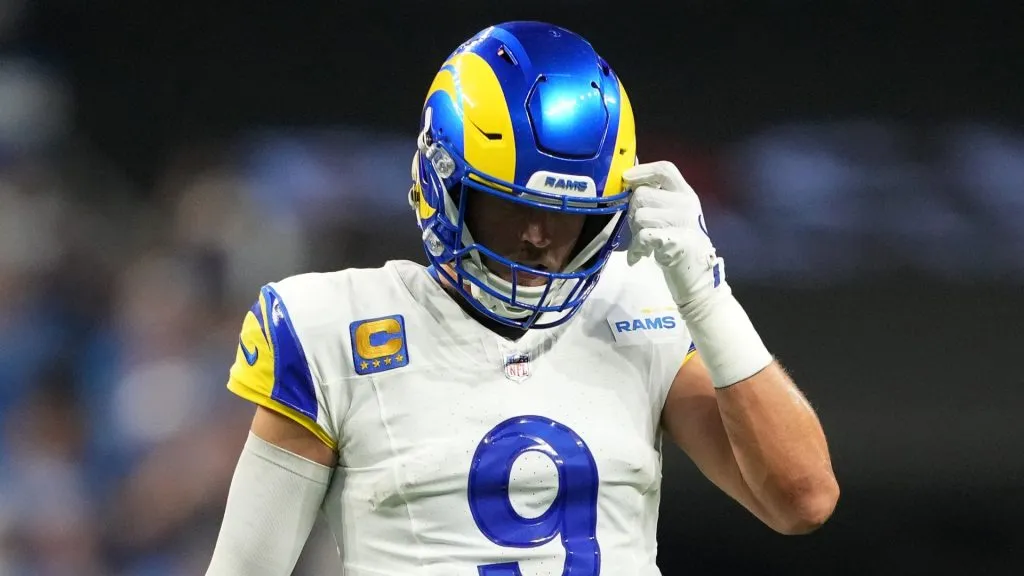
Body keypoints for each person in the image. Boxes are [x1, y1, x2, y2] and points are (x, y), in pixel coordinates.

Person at [205, 20, 839, 576]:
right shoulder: (332, 328)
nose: (538, 238)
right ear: (441, 181)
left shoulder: (639, 307)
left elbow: (802, 500)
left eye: (565, 215)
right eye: (511, 207)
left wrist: (707, 294)